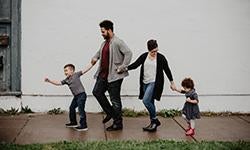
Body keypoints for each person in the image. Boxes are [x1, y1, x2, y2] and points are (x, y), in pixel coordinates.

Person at [91, 20, 132, 131]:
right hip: (103, 75)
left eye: (103, 31)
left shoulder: (118, 42)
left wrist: (122, 67)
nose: (102, 34)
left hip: (114, 76)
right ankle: (110, 113)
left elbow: (128, 53)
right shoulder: (104, 43)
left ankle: (118, 124)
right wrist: (94, 58)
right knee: (96, 92)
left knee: (115, 100)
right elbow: (99, 53)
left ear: (109, 30)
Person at [127, 39, 176, 132]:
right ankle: (153, 124)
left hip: (154, 83)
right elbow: (135, 65)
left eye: (156, 51)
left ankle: (155, 119)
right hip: (145, 82)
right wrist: (125, 68)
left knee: (146, 101)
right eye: (153, 51)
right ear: (149, 50)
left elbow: (167, 70)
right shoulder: (144, 56)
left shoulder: (161, 58)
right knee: (151, 102)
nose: (155, 53)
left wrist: (172, 83)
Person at [44, 63, 93, 131]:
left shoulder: (76, 74)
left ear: (72, 70)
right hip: (76, 96)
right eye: (64, 71)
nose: (65, 72)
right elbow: (58, 83)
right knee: (72, 108)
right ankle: (73, 122)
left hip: (81, 95)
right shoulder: (66, 80)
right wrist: (49, 81)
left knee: (80, 110)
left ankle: (84, 125)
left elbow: (85, 70)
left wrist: (92, 63)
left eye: (66, 70)